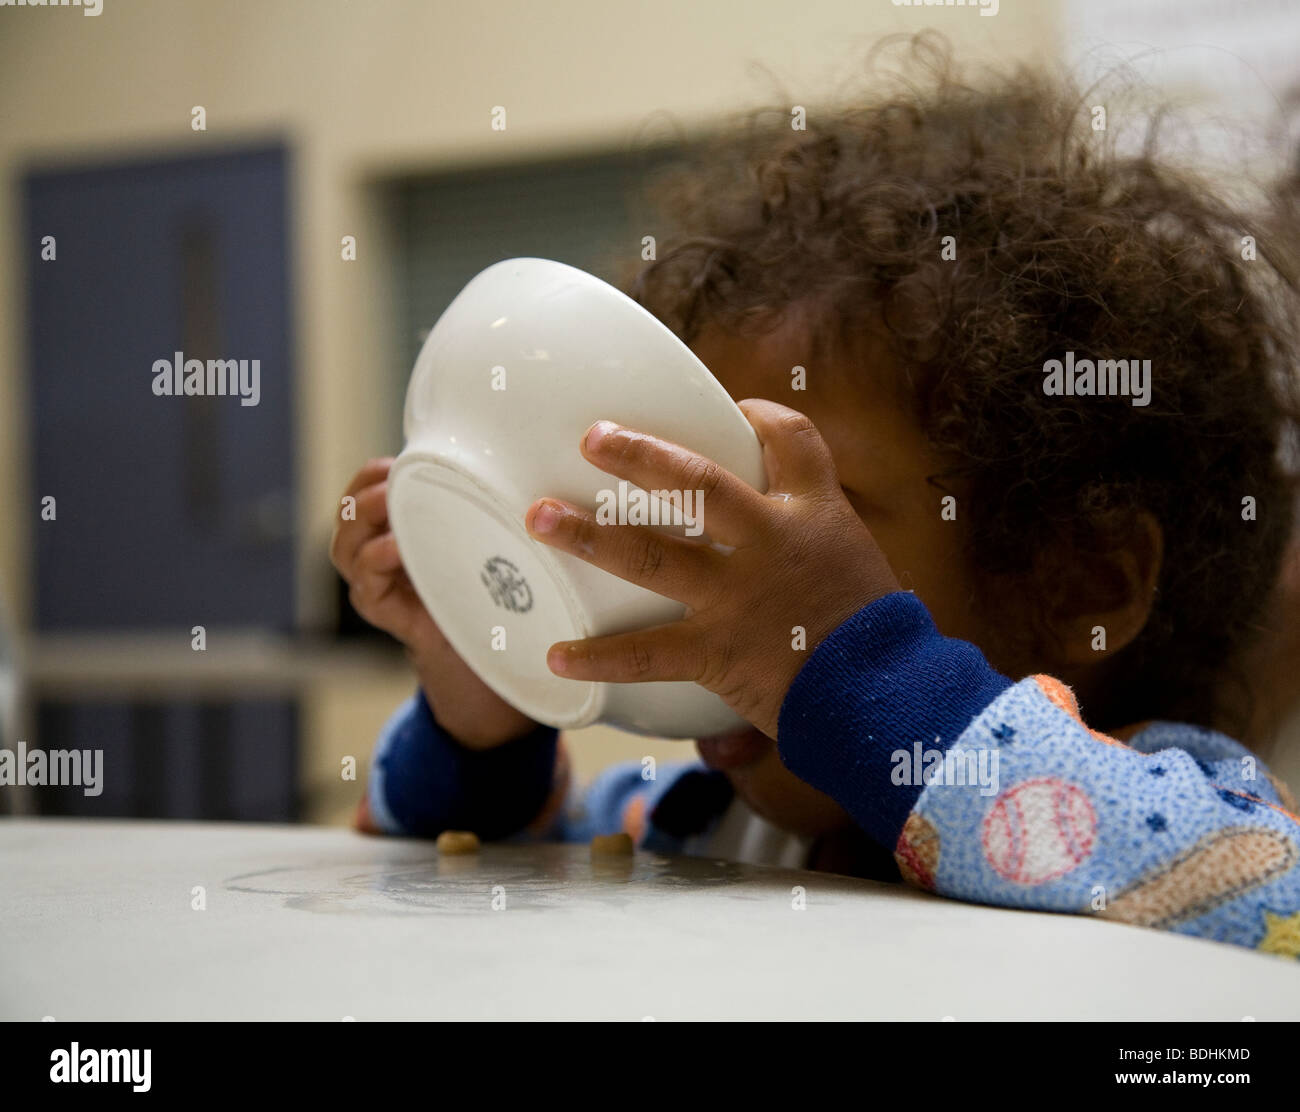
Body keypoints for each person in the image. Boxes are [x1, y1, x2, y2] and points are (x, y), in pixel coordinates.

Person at [332, 35, 1300, 953]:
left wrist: (862, 680)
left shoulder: (1180, 803)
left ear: (1081, 579)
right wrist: (482, 715)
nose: (707, 570)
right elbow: (469, 856)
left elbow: (1277, 906)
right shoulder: (718, 824)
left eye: (776, 508)